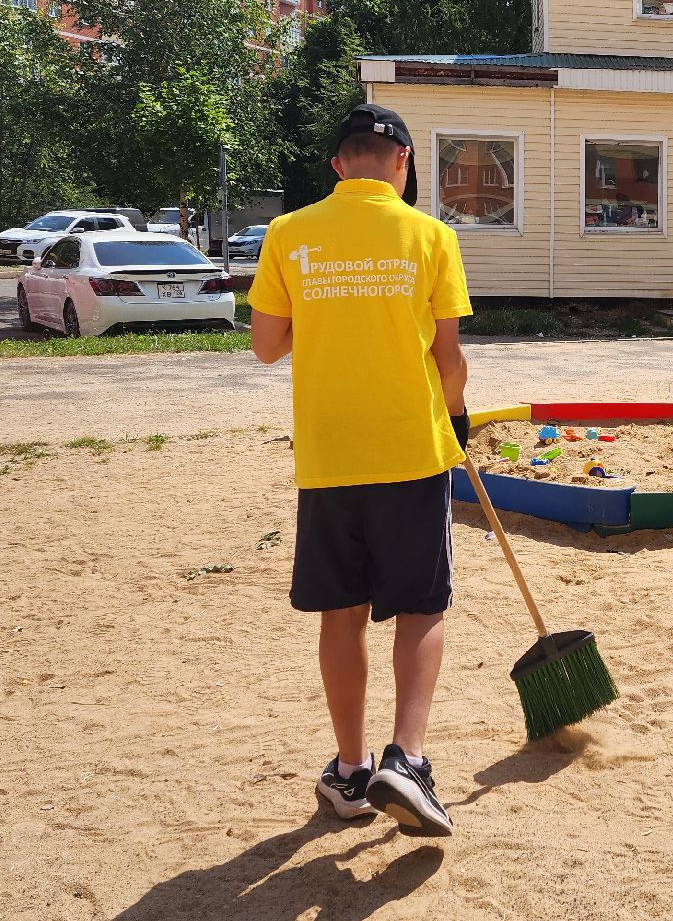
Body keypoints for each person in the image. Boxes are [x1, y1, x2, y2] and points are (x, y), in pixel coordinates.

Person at [248, 103, 471, 838]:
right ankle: (406, 761)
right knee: (422, 605)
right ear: (403, 164)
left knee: (341, 613)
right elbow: (448, 358)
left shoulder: (289, 233)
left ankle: (350, 771)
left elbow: (267, 346)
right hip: (410, 450)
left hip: (329, 454)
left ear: (339, 165)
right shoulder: (431, 236)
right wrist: (458, 415)